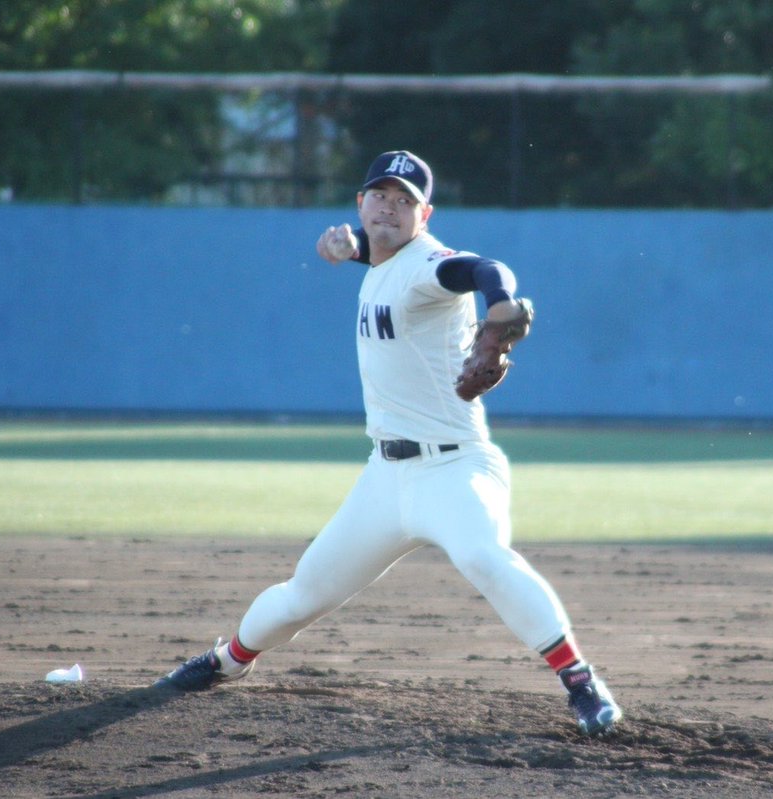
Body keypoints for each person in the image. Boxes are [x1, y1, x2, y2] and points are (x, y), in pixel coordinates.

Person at [156, 150, 622, 737]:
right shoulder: (380, 259)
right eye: (380, 195)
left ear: (423, 215)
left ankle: (580, 682)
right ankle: (228, 661)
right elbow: (379, 258)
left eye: (405, 201)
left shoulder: (431, 264)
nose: (390, 207)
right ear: (361, 202)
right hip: (384, 477)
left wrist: (500, 307)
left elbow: (482, 268)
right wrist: (349, 246)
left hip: (454, 470)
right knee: (304, 594)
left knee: (483, 557)